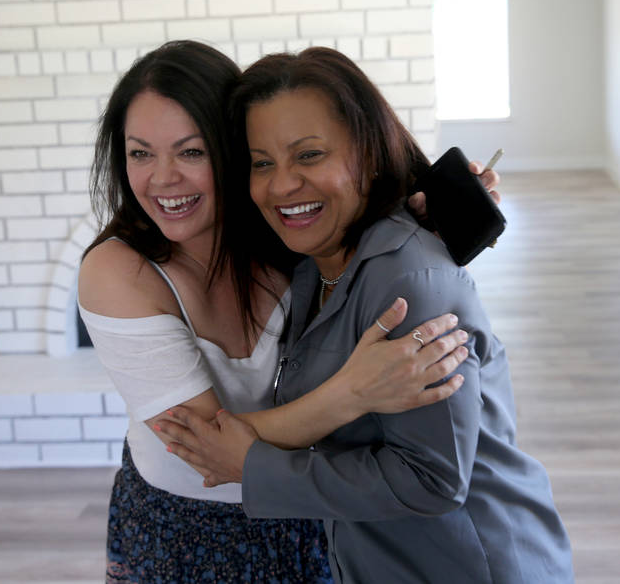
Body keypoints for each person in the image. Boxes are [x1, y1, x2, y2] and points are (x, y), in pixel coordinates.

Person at [77, 40, 497, 583]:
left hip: (311, 510)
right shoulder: (117, 271)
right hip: (184, 529)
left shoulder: (283, 235)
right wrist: (353, 391)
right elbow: (204, 446)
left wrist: (437, 209)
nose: (163, 179)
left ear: (230, 153)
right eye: (140, 153)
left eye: (191, 151)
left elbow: (362, 211)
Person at [158, 47, 575, 583]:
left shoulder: (408, 285)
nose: (282, 184)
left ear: (369, 154)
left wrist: (255, 467)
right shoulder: (315, 265)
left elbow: (432, 478)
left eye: (308, 155)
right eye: (262, 162)